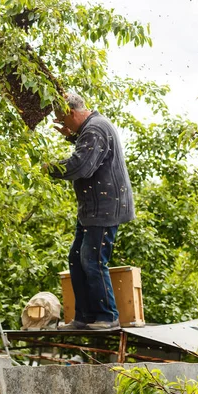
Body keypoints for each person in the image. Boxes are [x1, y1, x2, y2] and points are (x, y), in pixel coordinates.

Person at [44, 93, 135, 330]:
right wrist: (71, 136)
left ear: (72, 113)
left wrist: (50, 168)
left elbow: (82, 166)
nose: (62, 124)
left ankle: (108, 316)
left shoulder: (95, 129)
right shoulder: (91, 127)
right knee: (77, 258)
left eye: (63, 120)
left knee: (92, 259)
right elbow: (91, 152)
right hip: (93, 206)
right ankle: (83, 317)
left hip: (104, 208)